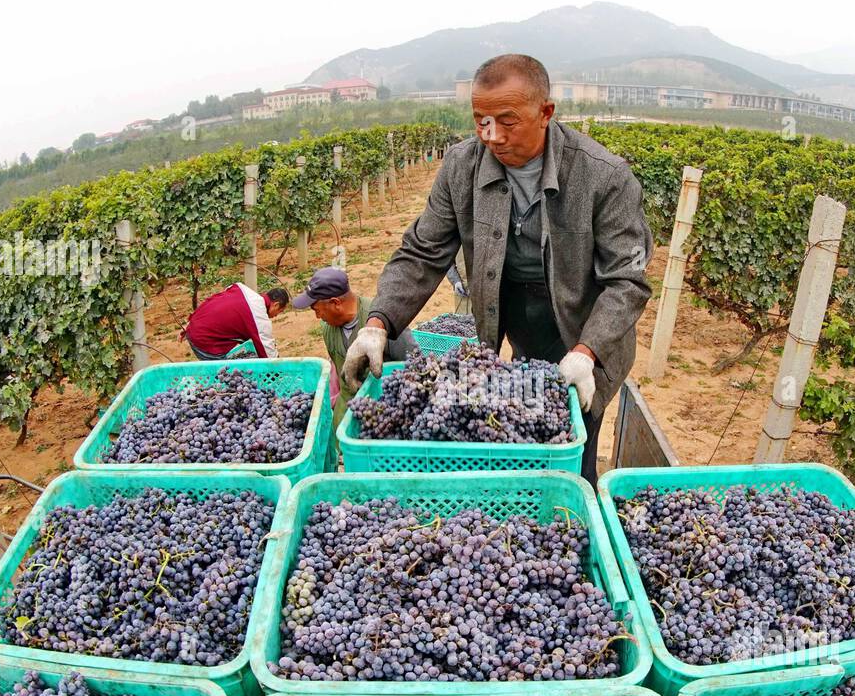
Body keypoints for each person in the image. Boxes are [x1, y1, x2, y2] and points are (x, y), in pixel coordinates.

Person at [342, 53, 653, 484]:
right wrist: (377, 323)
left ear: (545, 113)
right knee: (520, 411)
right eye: (480, 120)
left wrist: (587, 351)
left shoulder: (605, 177)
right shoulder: (461, 167)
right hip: (513, 311)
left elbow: (627, 280)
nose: (492, 135)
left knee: (574, 428)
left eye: (507, 121)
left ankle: (574, 492)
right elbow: (422, 251)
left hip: (587, 321)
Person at [292, 266, 417, 439]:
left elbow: (415, 366)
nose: (317, 316)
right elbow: (336, 363)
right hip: (346, 412)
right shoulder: (328, 327)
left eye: (316, 309)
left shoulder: (383, 321)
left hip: (382, 417)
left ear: (335, 303)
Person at [182, 283, 288, 359]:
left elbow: (213, 302)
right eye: (280, 311)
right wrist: (278, 373)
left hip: (194, 328)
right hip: (204, 342)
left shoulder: (240, 289)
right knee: (233, 372)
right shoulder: (259, 316)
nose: (276, 316)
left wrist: (191, 322)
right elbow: (267, 351)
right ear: (276, 305)